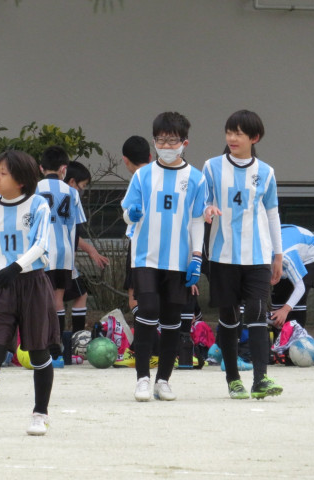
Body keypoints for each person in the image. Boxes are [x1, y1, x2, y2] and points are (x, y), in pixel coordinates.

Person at [0, 150, 59, 437]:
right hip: (2, 286)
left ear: (21, 180)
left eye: (3, 174)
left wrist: (16, 266)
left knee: (38, 352)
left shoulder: (39, 205)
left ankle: (40, 414)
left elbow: (41, 244)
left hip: (32, 284)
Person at [121, 112, 206, 402]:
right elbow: (128, 211)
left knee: (172, 321)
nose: (166, 146)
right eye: (161, 140)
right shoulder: (143, 175)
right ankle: (142, 378)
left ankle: (163, 380)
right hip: (145, 257)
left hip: (178, 261)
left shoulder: (196, 178)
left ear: (184, 143)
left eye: (172, 141)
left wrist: (197, 257)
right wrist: (131, 214)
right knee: (147, 311)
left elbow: (197, 220)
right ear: (154, 141)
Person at [202, 109, 284, 400]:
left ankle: (261, 379)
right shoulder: (211, 167)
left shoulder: (266, 172)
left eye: (238, 133)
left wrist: (277, 255)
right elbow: (202, 203)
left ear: (254, 138)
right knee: (228, 318)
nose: (232, 138)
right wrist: (207, 209)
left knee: (257, 313)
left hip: (258, 256)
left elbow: (272, 214)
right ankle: (233, 379)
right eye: (229, 132)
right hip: (222, 257)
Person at [36, 146, 87, 363]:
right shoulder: (72, 192)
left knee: (39, 301)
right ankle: (59, 351)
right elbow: (78, 227)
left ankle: (43, 347)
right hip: (64, 254)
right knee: (58, 301)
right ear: (63, 169)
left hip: (40, 253)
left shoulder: (33, 189)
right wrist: (72, 256)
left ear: (41, 168)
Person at [61, 160, 109, 363]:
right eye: (83, 186)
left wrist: (91, 250)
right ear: (72, 182)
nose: (83, 191)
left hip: (60, 259)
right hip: (61, 259)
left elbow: (73, 234)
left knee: (78, 294)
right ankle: (69, 344)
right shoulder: (69, 197)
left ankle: (70, 342)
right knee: (61, 299)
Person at [121, 136, 152, 317]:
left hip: (140, 242)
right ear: (150, 156)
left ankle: (146, 330)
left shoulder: (138, 178)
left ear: (125, 160)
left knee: (135, 297)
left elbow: (127, 212)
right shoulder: (163, 177)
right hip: (168, 244)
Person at [269, 224, 314, 329]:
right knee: (278, 297)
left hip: (310, 254)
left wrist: (285, 310)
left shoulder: (287, 257)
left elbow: (300, 287)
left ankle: (297, 334)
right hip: (288, 241)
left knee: (298, 301)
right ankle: (278, 334)